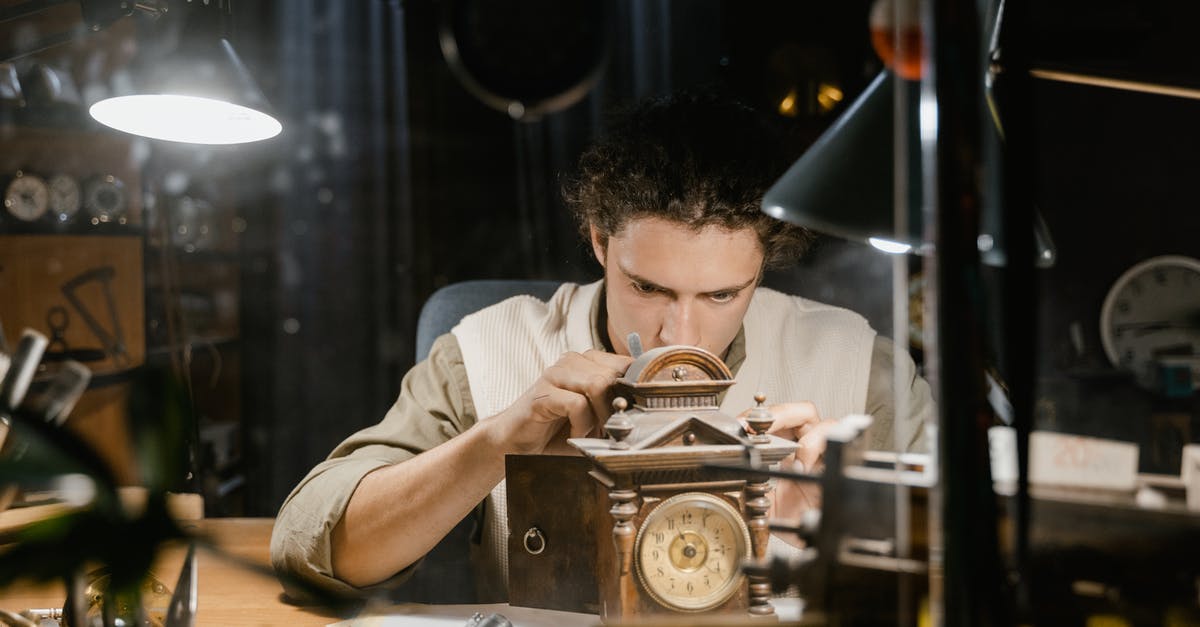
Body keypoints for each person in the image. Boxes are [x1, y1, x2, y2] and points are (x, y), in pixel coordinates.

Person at [270, 91, 933, 601]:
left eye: (722, 295)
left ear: (764, 264)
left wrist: (848, 525)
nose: (681, 336)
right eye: (647, 286)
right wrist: (495, 445)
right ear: (597, 240)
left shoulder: (856, 366)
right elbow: (310, 545)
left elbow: (986, 566)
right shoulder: (487, 352)